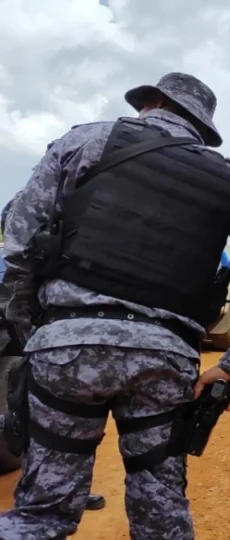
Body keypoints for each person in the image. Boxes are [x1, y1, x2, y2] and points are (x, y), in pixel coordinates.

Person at [0, 72, 230, 539]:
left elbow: (16, 244)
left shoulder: (85, 141)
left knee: (41, 515)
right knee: (161, 513)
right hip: (165, 361)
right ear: (201, 127)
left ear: (153, 101)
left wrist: (31, 330)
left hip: (67, 349)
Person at [1, 191, 109, 513]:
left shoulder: (63, 256)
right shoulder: (18, 257)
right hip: (27, 340)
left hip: (41, 341)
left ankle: (64, 490)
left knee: (59, 421)